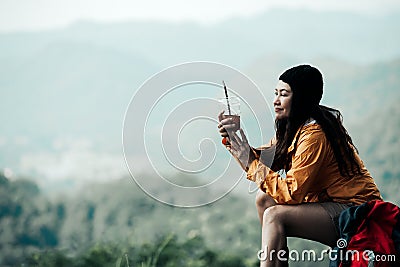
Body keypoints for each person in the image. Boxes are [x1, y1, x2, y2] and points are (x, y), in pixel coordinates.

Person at [217, 64, 382, 267]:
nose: (276, 101)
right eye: (276, 94)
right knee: (264, 200)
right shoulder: (296, 127)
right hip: (331, 204)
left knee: (274, 215)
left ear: (301, 98)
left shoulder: (315, 135)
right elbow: (267, 160)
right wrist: (234, 141)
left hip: (357, 215)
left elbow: (291, 193)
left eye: (284, 95)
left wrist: (249, 160)